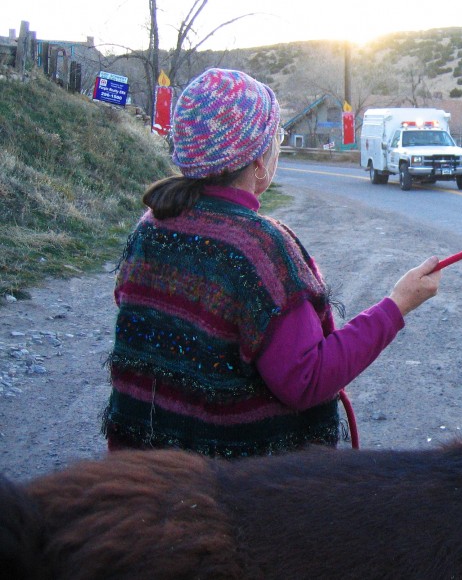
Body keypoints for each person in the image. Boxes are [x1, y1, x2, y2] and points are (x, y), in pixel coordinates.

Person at [103, 68, 441, 458]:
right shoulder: (261, 248)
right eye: (276, 138)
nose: (278, 147)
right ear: (259, 164)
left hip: (142, 475)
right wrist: (398, 305)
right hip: (229, 494)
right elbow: (306, 380)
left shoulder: (151, 226)